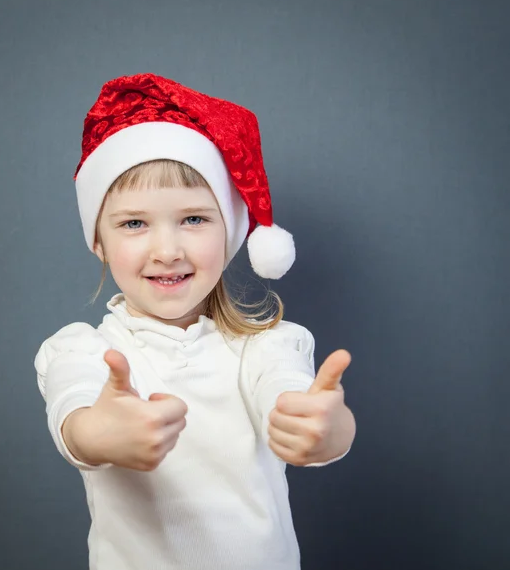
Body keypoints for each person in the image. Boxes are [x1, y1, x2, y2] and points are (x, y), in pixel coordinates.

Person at [34, 73, 356, 570]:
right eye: (134, 223)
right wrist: (101, 430)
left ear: (230, 233)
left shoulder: (267, 346)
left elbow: (288, 395)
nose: (167, 251)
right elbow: (75, 417)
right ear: (98, 240)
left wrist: (327, 429)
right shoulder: (80, 351)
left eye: (194, 219)